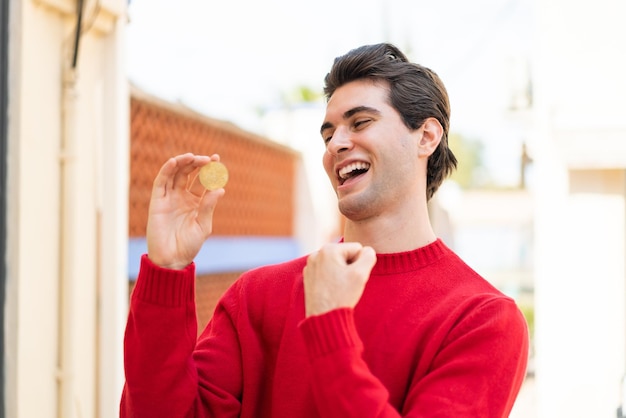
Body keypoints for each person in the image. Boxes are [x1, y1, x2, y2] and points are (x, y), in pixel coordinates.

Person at [121, 43, 528, 418]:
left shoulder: (483, 319)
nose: (336, 143)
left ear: (426, 136)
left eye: (360, 122)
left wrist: (330, 327)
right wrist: (167, 270)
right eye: (329, 132)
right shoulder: (257, 296)